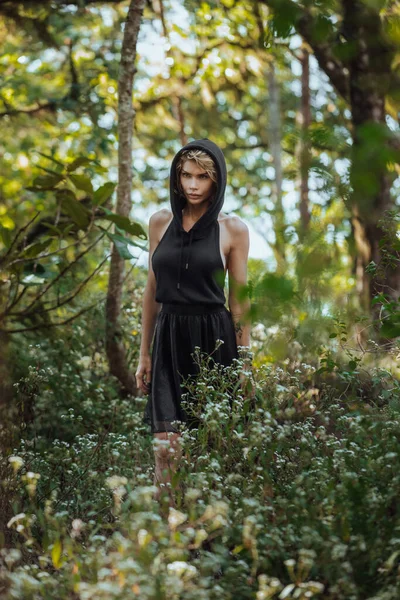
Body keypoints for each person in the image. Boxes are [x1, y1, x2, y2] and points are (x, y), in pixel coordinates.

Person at [135, 138, 253, 509]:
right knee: (165, 447)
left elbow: (239, 301)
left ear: (216, 181)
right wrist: (144, 354)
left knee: (208, 448)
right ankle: (167, 536)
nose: (193, 184)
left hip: (213, 339)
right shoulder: (159, 222)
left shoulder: (232, 229)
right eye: (186, 175)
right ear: (176, 177)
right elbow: (152, 290)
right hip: (168, 338)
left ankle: (207, 541)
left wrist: (245, 363)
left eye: (203, 176)